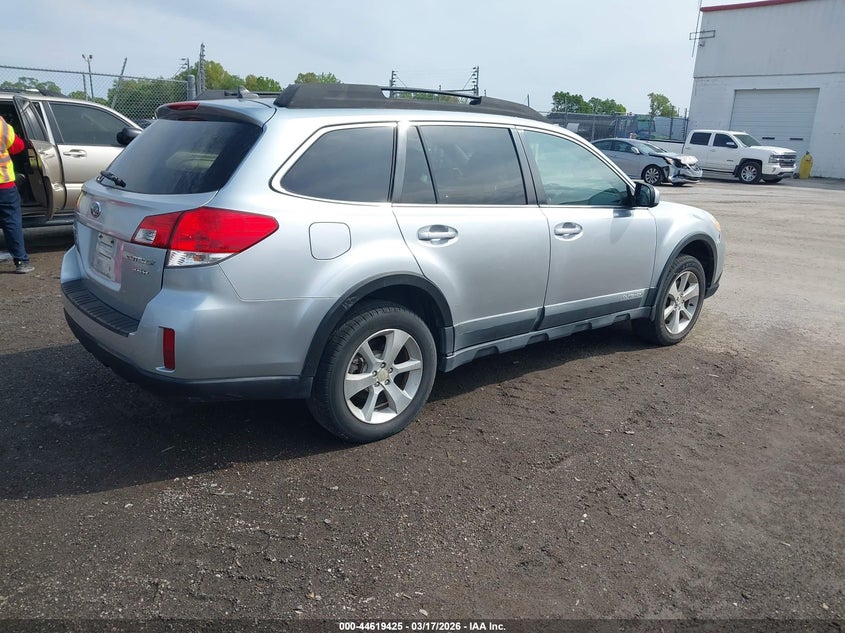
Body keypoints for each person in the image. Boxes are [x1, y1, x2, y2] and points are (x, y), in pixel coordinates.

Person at [0, 115, 34, 273]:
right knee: (11, 221)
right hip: (3, 184)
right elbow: (18, 147)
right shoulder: (0, 123)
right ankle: (21, 261)